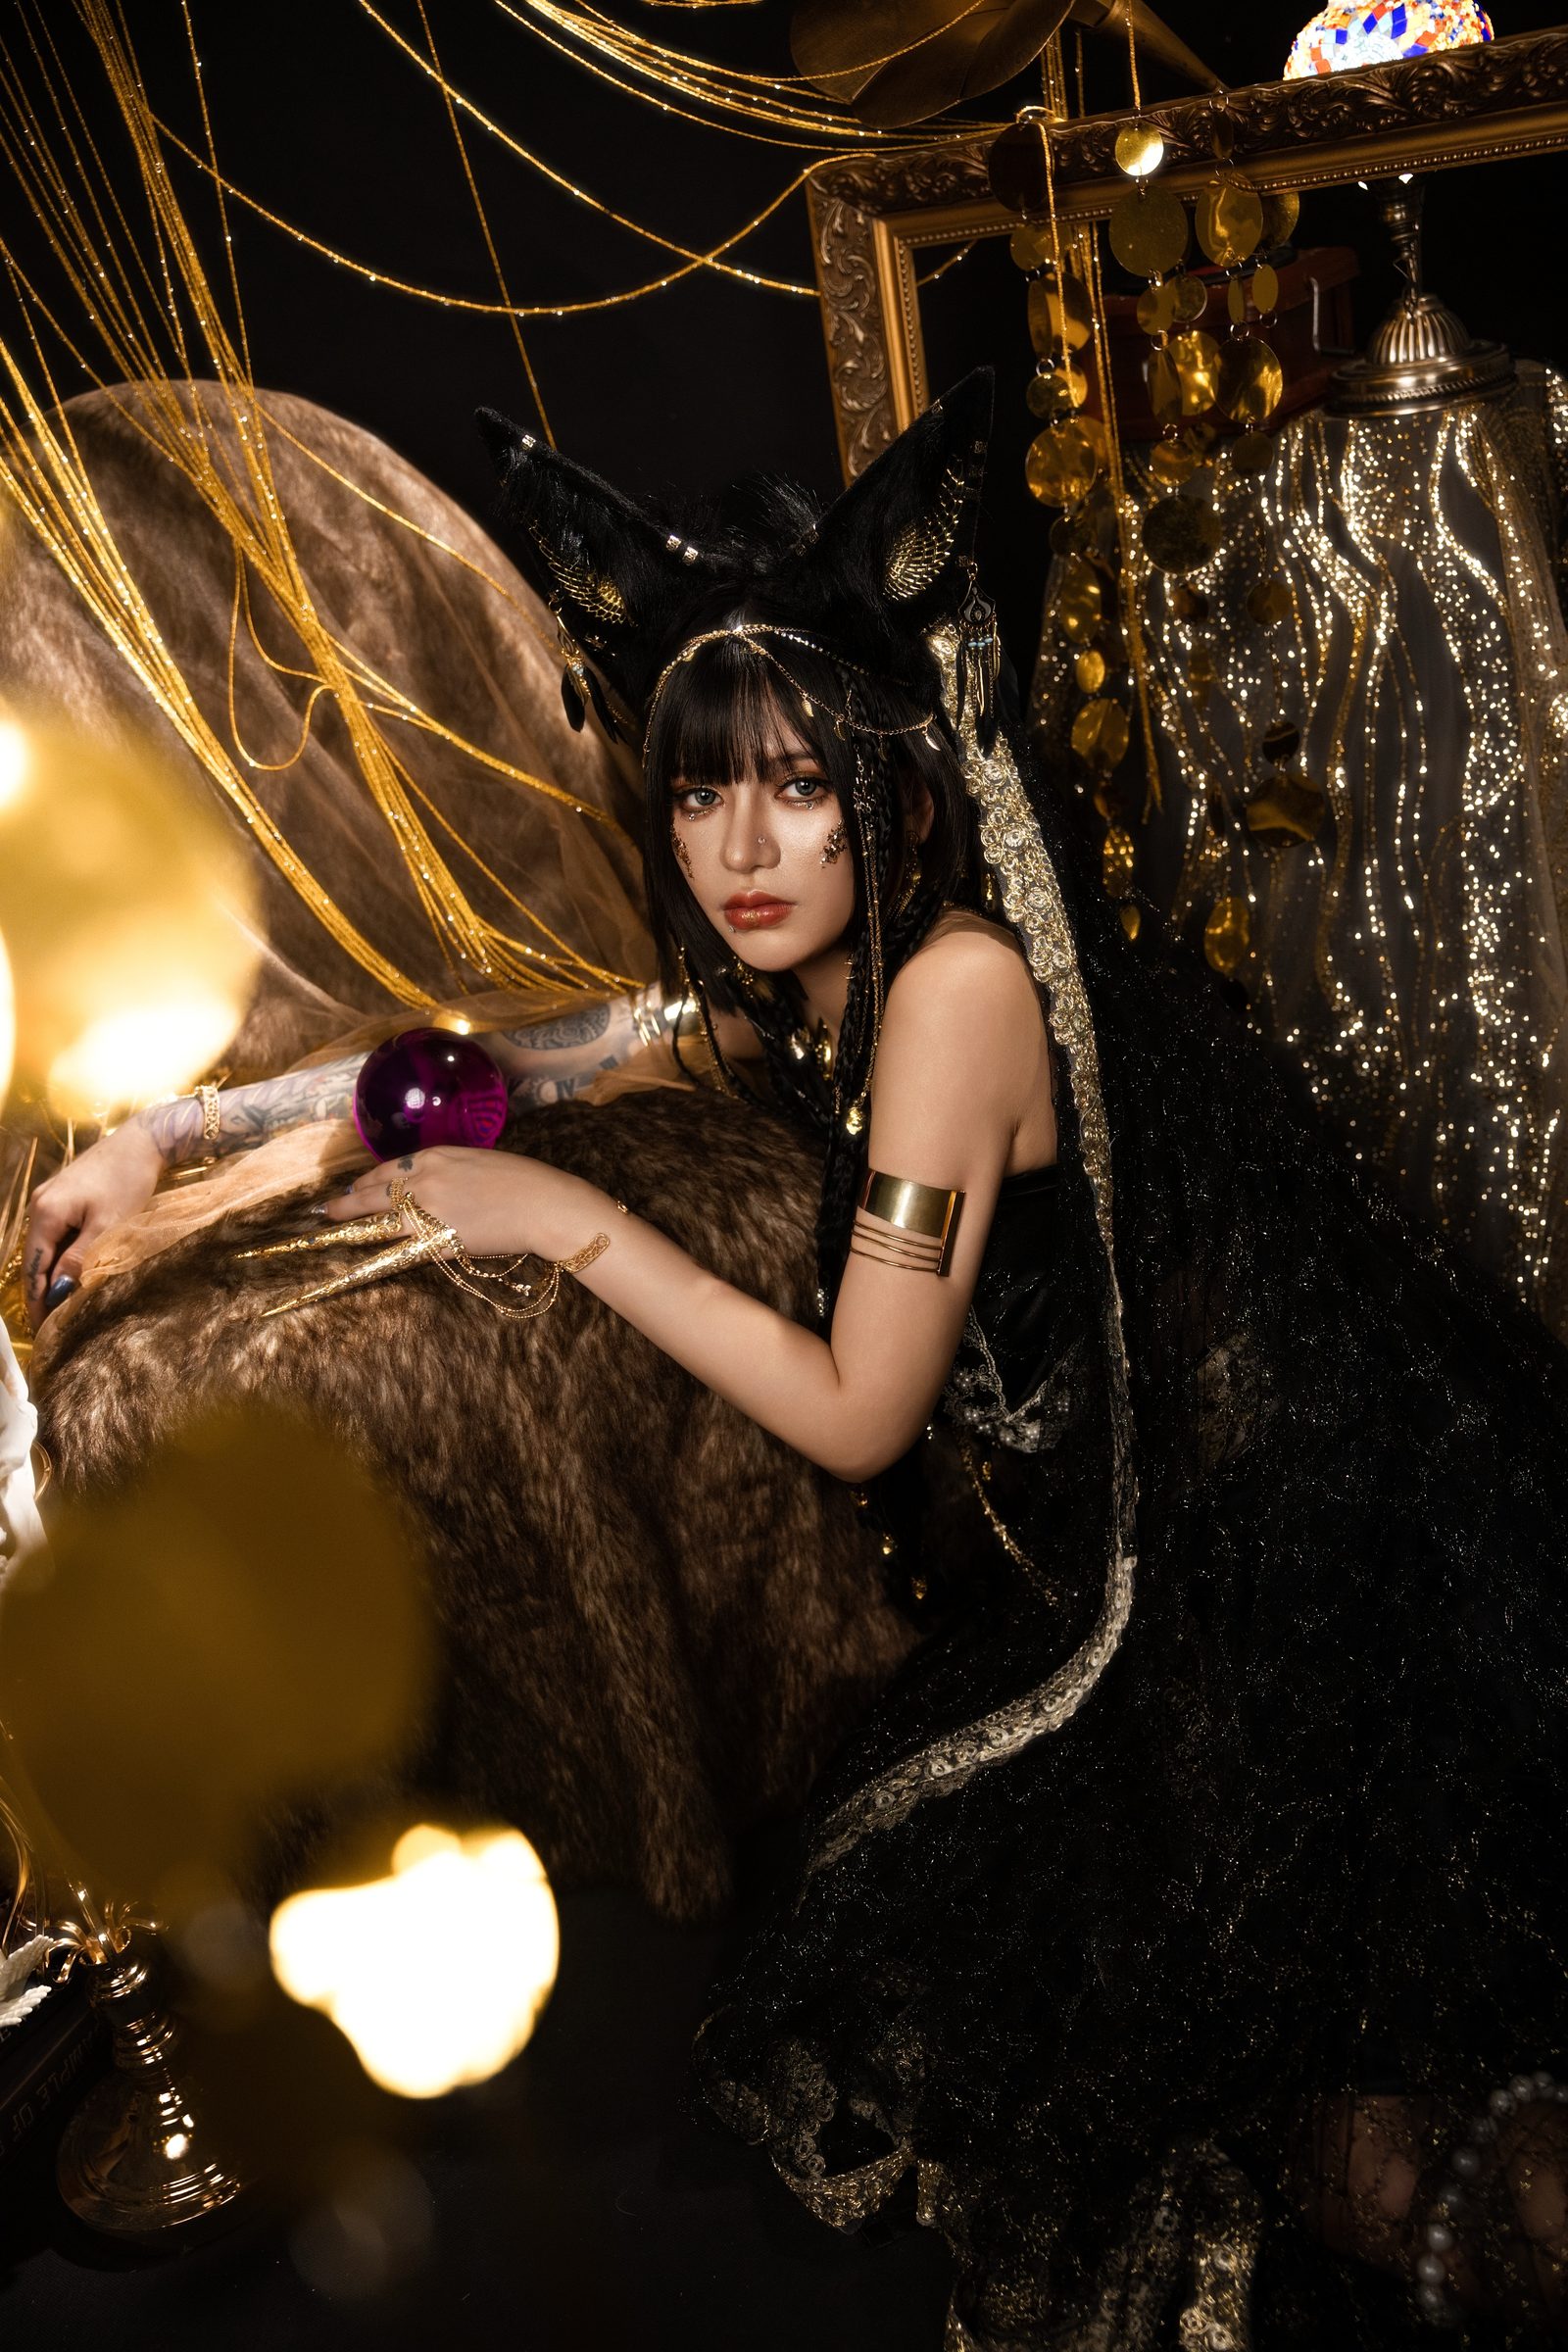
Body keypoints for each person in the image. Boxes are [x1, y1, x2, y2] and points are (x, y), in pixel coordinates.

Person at [26, 371, 1568, 2342]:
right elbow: (524, 1056)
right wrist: (190, 1137)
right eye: (697, 793)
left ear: (890, 788)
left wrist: (567, 1226)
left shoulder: (948, 994)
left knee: (1155, 2046)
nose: (739, 847)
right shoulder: (814, 977)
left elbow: (857, 1410)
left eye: (796, 787)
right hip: (1051, 1562)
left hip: (1215, 1581)